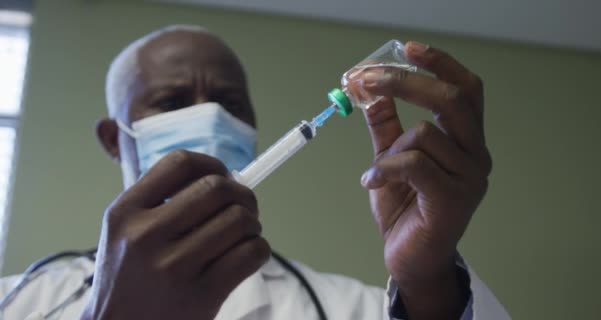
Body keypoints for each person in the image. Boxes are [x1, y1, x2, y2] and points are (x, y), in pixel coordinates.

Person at [0, 25, 510, 320]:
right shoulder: (22, 300)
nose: (211, 118)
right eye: (173, 102)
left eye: (229, 103)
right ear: (116, 139)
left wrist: (428, 281)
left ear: (252, 129)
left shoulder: (347, 309)